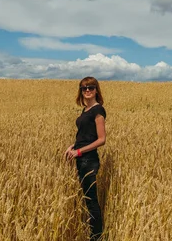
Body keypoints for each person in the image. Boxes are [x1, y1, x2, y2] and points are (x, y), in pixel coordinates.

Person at [64, 76, 107, 241]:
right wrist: (73, 147)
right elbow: (85, 136)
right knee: (86, 197)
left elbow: (101, 140)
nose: (87, 90)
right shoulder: (85, 110)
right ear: (80, 91)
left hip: (89, 160)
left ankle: (96, 237)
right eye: (84, 88)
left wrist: (80, 151)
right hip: (81, 158)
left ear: (96, 90)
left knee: (91, 200)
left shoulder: (98, 110)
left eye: (91, 87)